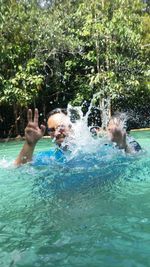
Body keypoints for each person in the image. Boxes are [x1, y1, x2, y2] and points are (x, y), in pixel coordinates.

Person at [15, 108, 140, 166]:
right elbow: (19, 168)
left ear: (73, 126)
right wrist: (29, 145)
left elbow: (137, 159)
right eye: (51, 130)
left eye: (61, 127)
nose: (57, 133)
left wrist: (122, 147)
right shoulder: (50, 157)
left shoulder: (98, 148)